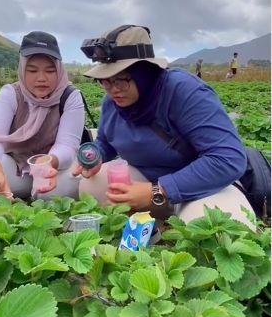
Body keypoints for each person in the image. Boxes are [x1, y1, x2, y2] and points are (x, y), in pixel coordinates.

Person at [74, 25, 255, 229]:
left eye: (122, 79)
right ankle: (157, 224)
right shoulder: (112, 102)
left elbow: (228, 158)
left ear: (144, 72)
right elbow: (106, 142)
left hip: (201, 187)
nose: (113, 89)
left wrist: (159, 190)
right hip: (145, 185)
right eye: (105, 81)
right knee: (92, 185)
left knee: (219, 231)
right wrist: (95, 155)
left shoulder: (185, 91)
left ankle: (179, 217)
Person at [0, 31, 85, 206]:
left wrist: (49, 161)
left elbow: (67, 145)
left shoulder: (70, 96)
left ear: (59, 70)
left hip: (54, 169)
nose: (41, 78)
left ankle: (34, 194)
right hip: (17, 165)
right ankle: (14, 189)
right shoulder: (11, 94)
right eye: (32, 70)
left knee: (52, 195)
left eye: (50, 70)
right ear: (22, 69)